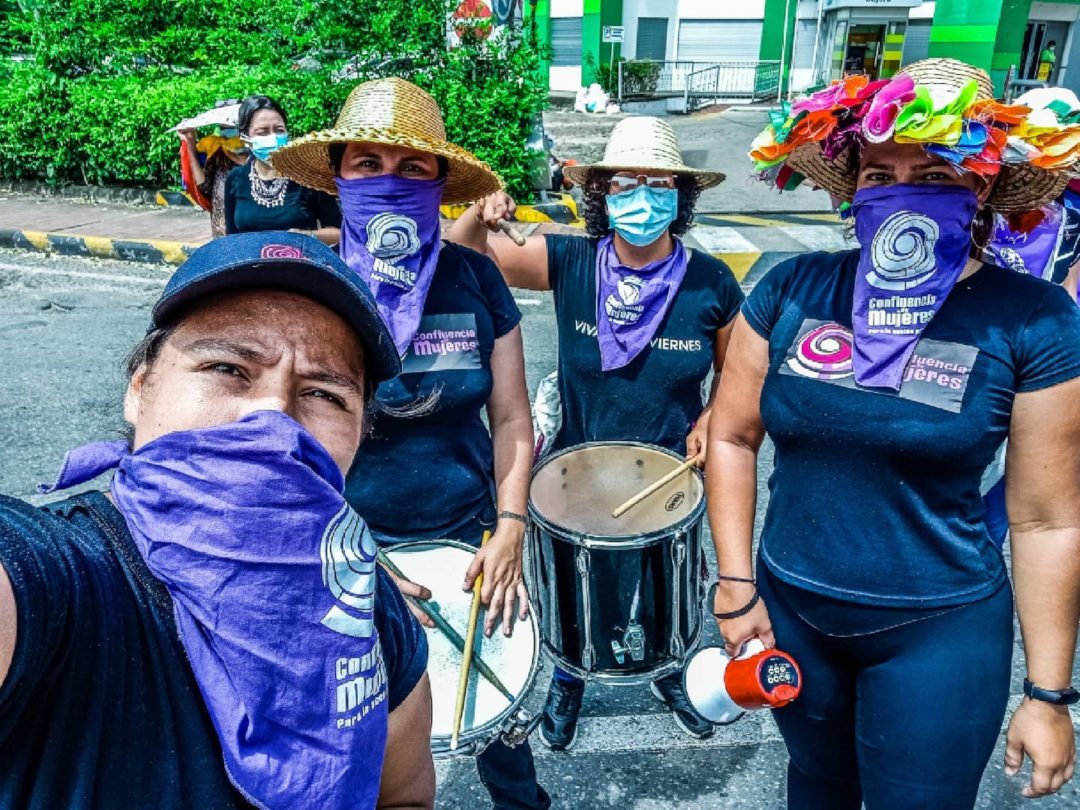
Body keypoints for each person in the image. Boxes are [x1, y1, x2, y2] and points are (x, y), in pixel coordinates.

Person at [714, 58, 1080, 807]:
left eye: (937, 175)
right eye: (881, 172)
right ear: (854, 187)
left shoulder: (1034, 318)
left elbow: (1048, 519)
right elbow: (731, 438)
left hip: (939, 632)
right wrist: (735, 584)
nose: (903, 192)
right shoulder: (790, 288)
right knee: (815, 788)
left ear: (980, 187)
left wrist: (1048, 693)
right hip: (795, 614)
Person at [0, 231, 435, 809]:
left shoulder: (368, 604)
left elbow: (403, 796)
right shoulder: (58, 580)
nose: (273, 417)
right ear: (140, 389)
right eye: (228, 367)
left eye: (326, 395)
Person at [273, 77, 550, 810]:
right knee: (361, 739)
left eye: (412, 167)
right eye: (366, 163)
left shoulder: (475, 280)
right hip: (346, 546)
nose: (388, 181)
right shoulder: (311, 288)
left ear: (439, 182)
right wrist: (346, 555)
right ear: (337, 175)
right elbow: (280, 443)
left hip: (471, 540)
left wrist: (512, 526)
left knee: (501, 726)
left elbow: (513, 419)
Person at [448, 115, 744, 748]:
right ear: (602, 194)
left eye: (658, 183)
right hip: (574, 466)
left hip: (668, 471)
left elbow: (736, 373)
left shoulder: (710, 280)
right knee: (574, 582)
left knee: (669, 583)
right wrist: (479, 211)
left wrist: (713, 415)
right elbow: (465, 254)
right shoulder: (572, 260)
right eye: (624, 184)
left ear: (680, 196)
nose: (641, 197)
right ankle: (567, 679)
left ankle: (670, 673)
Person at [224, 95, 342, 246]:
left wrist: (306, 236)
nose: (273, 138)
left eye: (279, 130)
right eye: (263, 132)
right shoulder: (236, 179)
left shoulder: (308, 176)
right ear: (245, 138)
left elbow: (339, 233)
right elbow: (231, 238)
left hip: (301, 266)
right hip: (250, 268)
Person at [177, 99, 247, 237]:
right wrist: (190, 143)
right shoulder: (216, 151)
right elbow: (205, 187)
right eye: (223, 127)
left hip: (249, 233)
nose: (227, 131)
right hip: (222, 234)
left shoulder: (258, 154)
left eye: (231, 126)